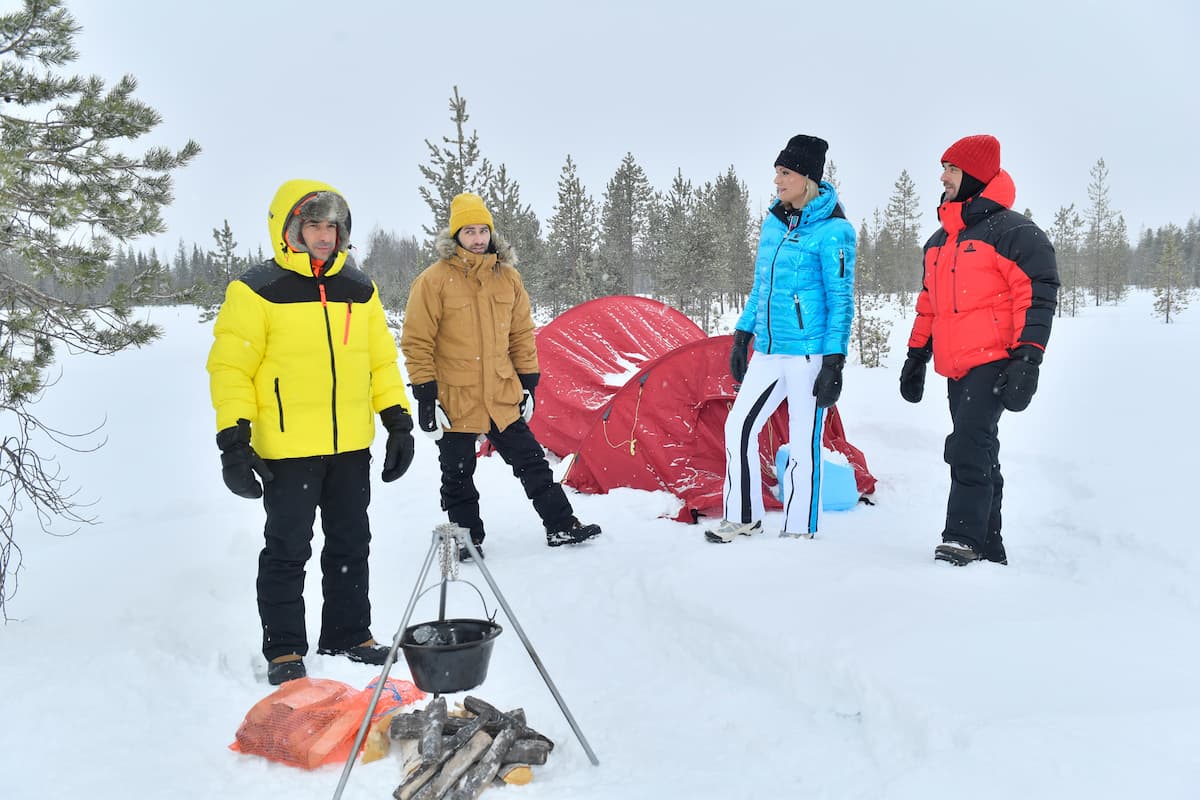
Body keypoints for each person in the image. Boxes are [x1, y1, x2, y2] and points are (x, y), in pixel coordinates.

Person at [206, 179, 415, 685]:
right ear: (289, 230)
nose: (324, 236)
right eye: (313, 225)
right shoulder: (257, 290)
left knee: (350, 543)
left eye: (332, 226)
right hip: (287, 449)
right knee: (288, 549)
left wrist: (397, 420)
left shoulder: (359, 288)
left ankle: (348, 635)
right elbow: (230, 368)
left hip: (349, 447)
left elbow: (380, 361)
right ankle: (284, 651)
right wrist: (235, 441)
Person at [401, 192, 601, 560]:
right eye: (469, 231)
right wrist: (426, 396)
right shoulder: (433, 281)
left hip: (501, 395)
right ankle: (465, 540)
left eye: (483, 231)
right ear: (455, 235)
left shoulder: (507, 279)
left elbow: (522, 335)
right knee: (458, 475)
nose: (477, 238)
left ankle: (560, 524)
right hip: (456, 398)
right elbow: (416, 342)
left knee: (532, 463)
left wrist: (528, 384)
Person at [899, 134, 1059, 566]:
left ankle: (962, 539)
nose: (943, 176)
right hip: (957, 365)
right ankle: (991, 547)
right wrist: (916, 356)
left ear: (974, 175)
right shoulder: (939, 241)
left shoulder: (1014, 232)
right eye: (944, 168)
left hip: (996, 360)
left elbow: (1037, 296)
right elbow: (929, 304)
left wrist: (1028, 358)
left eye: (951, 168)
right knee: (979, 449)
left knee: (968, 445)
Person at [706, 134, 856, 543]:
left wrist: (834, 361)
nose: (776, 180)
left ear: (806, 178)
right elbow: (762, 286)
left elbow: (840, 301)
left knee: (803, 442)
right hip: (769, 350)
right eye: (776, 171)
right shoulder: (773, 223)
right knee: (738, 426)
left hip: (809, 355)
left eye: (784, 173)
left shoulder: (834, 231)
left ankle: (798, 528)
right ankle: (742, 516)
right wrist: (743, 333)